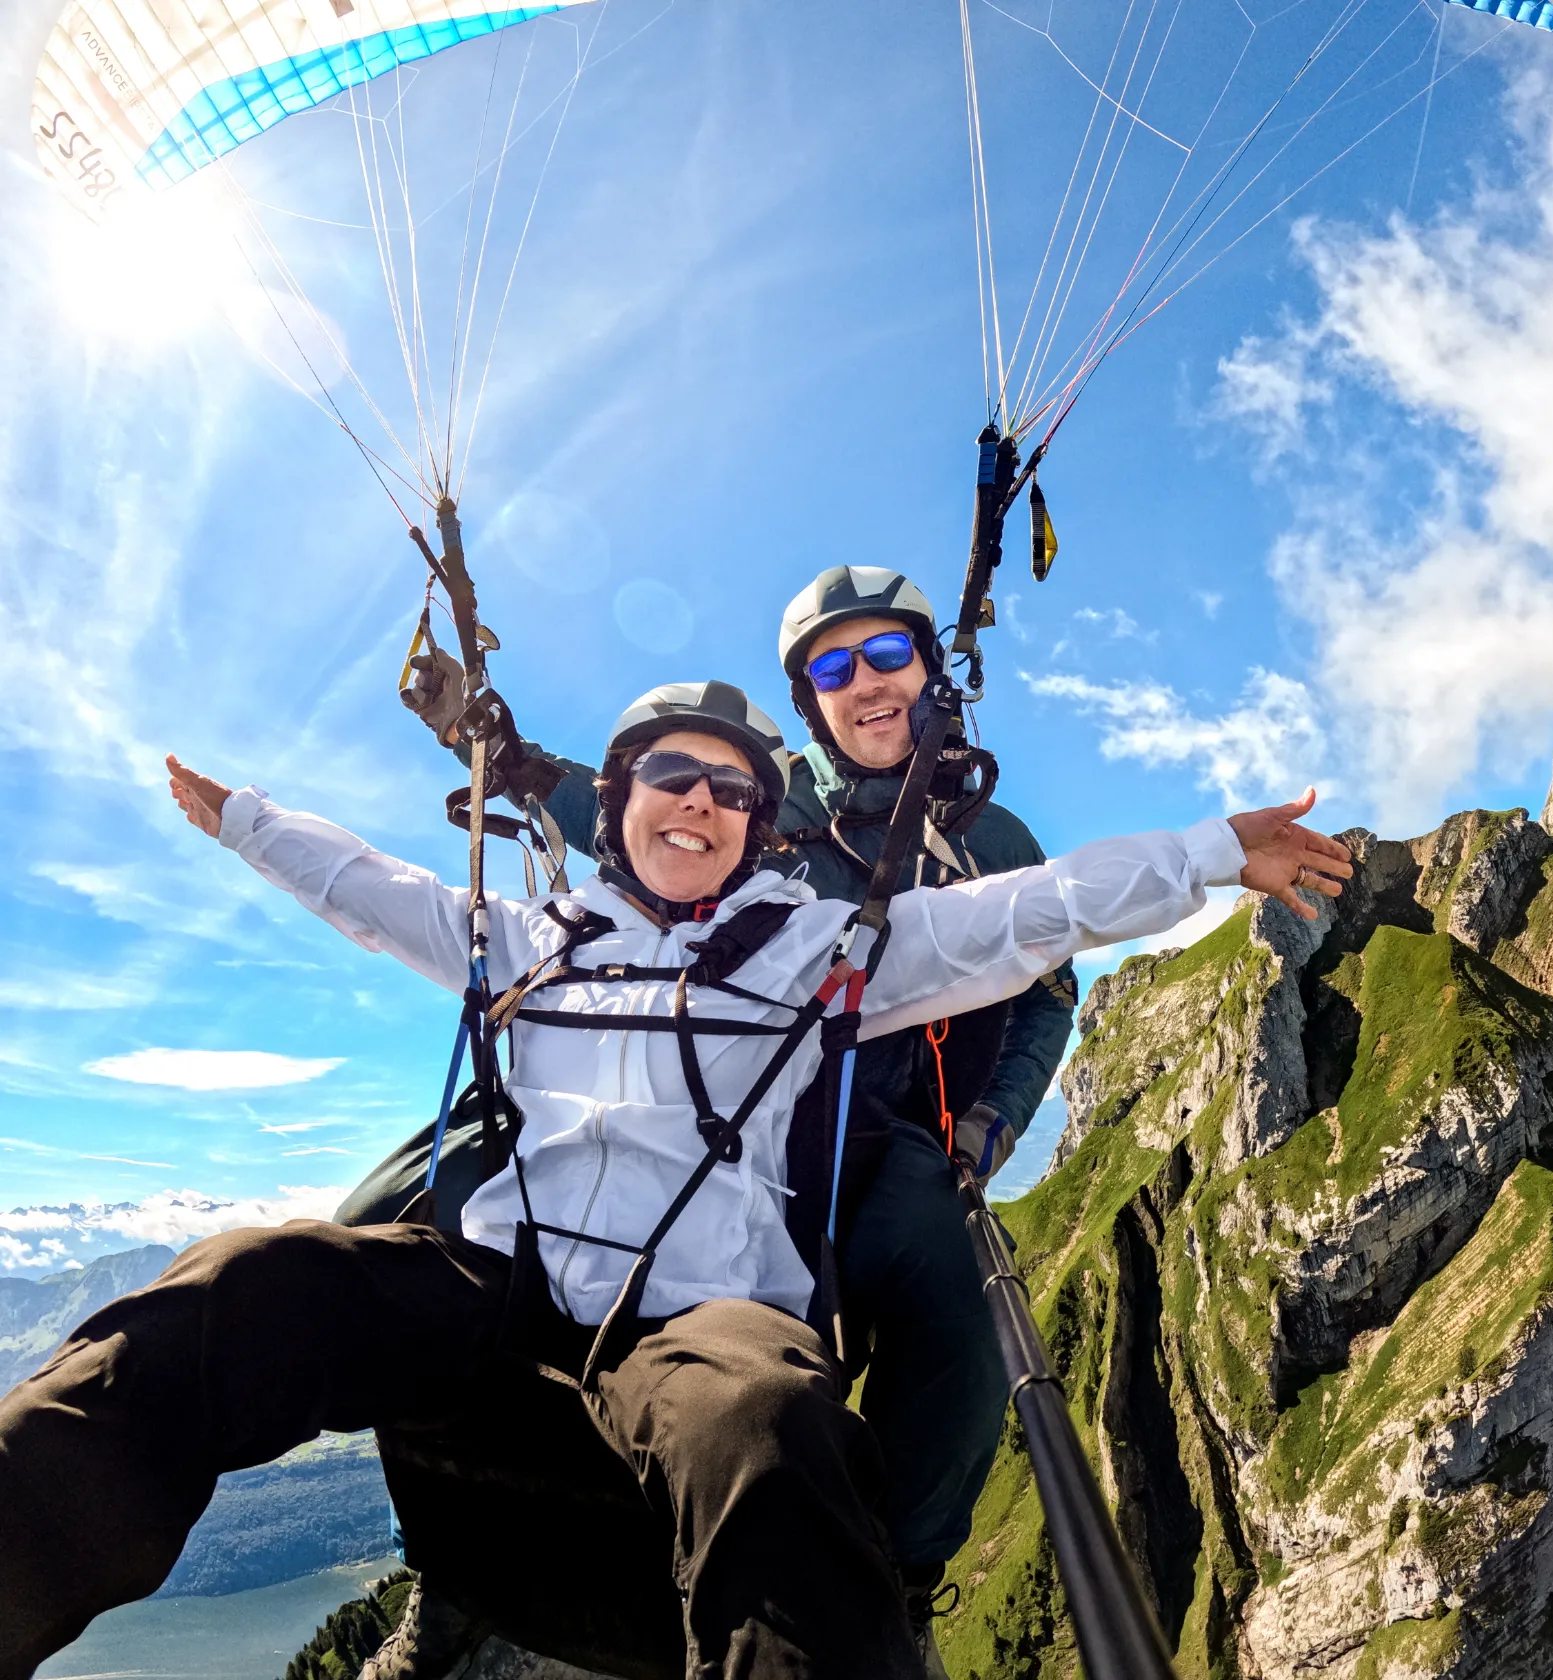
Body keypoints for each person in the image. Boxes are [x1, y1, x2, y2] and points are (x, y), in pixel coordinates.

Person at [0, 679, 1352, 1680]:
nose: (698, 802)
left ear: (759, 827)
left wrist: (1216, 854)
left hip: (700, 1318)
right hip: (494, 1289)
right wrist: (242, 820)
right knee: (249, 1281)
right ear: (622, 805)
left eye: (729, 790)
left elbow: (1027, 914)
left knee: (766, 1424)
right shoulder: (529, 940)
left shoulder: (828, 948)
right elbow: (367, 887)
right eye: (670, 780)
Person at [342, 567, 1081, 1672]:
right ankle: (447, 1570)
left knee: (958, 1298)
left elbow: (1044, 993)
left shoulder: (997, 841)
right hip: (707, 1089)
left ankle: (905, 1578)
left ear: (933, 670)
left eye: (888, 656)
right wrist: (482, 745)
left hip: (877, 1131)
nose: (866, 683)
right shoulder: (774, 804)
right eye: (835, 667)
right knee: (386, 1221)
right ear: (809, 697)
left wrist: (990, 1124)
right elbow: (636, 817)